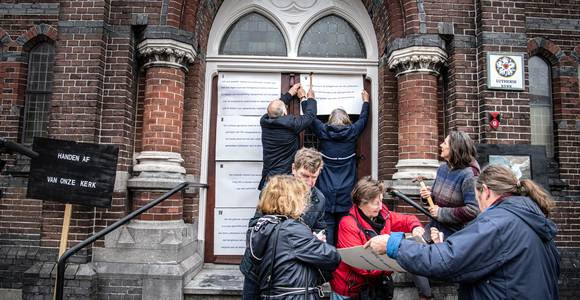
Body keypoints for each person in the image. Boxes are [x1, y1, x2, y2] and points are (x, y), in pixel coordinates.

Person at [365, 165, 560, 300]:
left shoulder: (498, 222)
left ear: (486, 191)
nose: (479, 207)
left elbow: (446, 261)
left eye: (477, 198)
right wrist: (444, 247)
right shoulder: (530, 218)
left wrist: (392, 244)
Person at [241, 147, 328, 299]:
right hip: (258, 268)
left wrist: (319, 239)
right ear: (293, 169)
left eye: (314, 177)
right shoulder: (274, 189)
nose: (310, 183)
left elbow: (321, 229)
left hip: (291, 273)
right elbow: (254, 226)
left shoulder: (319, 199)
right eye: (305, 176)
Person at [330, 176, 426, 299]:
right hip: (350, 289)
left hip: (374, 288)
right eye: (376, 203)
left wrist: (415, 227)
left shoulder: (383, 215)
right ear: (361, 202)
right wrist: (397, 262)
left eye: (381, 201)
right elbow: (361, 266)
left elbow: (408, 220)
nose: (380, 207)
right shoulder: (348, 223)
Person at [247, 175, 340, 299]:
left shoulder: (264, 225)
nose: (305, 201)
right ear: (292, 200)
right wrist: (316, 241)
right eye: (301, 196)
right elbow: (332, 257)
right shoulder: (291, 229)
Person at [311, 90, 370, 246]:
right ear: (347, 120)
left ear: (330, 120)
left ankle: (328, 264)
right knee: (346, 229)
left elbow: (311, 119)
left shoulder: (324, 131)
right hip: (346, 190)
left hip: (325, 189)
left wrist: (309, 99)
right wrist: (365, 102)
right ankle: (344, 264)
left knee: (327, 228)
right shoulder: (352, 132)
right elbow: (363, 120)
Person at [420, 130, 481, 239]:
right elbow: (434, 202)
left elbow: (474, 210)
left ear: (455, 148)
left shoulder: (470, 174)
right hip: (434, 230)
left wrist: (441, 212)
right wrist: (427, 196)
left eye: (444, 143)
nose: (440, 145)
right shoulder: (442, 168)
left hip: (455, 236)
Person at [259, 83, 317, 190]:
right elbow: (310, 116)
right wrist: (310, 98)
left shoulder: (264, 121)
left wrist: (290, 93)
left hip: (269, 180)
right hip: (284, 181)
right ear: (285, 111)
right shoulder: (291, 124)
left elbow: (274, 110)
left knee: (267, 206)